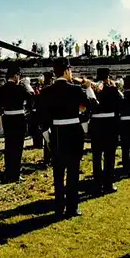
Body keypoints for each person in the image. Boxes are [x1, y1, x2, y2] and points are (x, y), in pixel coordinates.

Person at [38, 57, 97, 218]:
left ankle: (58, 208)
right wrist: (89, 87)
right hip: (73, 132)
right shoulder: (75, 90)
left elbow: (42, 118)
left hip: (56, 133)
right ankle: (72, 208)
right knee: (73, 172)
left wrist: (47, 137)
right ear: (66, 71)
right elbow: (92, 105)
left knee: (58, 173)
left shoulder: (46, 91)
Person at [0, 65, 33, 182]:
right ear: (16, 76)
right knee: (18, 147)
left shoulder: (1, 89)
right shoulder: (20, 88)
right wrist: (27, 85)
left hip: (7, 118)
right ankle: (16, 174)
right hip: (19, 118)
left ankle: (8, 173)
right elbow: (31, 97)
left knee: (9, 147)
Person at [90, 68, 122, 194]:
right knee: (109, 156)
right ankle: (108, 183)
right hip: (110, 125)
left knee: (97, 156)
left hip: (96, 125)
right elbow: (120, 104)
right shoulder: (113, 89)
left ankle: (97, 184)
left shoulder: (91, 88)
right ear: (108, 77)